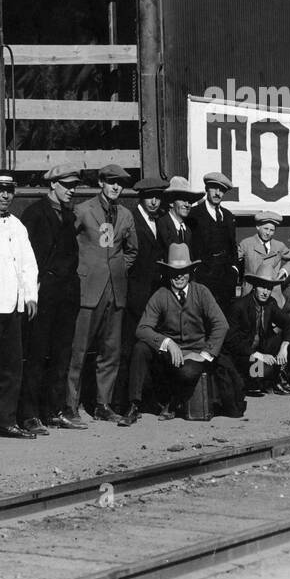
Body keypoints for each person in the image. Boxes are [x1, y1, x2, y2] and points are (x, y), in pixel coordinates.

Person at [122, 244, 229, 425]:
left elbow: (221, 324)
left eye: (184, 271)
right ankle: (134, 405)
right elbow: (142, 328)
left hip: (194, 353)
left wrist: (204, 354)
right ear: (167, 273)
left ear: (191, 271)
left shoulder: (201, 292)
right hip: (168, 353)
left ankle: (173, 403)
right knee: (140, 349)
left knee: (187, 372)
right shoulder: (161, 295)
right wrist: (167, 343)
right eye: (174, 271)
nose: (179, 276)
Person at [69, 163, 138, 423]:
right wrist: (84, 271)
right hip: (88, 290)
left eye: (120, 182)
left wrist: (117, 269)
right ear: (101, 183)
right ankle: (70, 406)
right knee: (79, 350)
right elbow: (69, 245)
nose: (116, 187)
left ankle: (103, 404)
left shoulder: (126, 215)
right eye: (111, 181)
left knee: (111, 351)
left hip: (116, 291)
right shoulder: (83, 210)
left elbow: (132, 250)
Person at [0, 170, 39, 441]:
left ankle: (5, 421)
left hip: (13, 308)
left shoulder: (17, 224)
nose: (5, 195)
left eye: (10, 190)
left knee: (11, 368)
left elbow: (27, 264)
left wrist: (29, 296)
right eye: (0, 190)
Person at [19, 166, 82, 431]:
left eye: (73, 186)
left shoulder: (69, 215)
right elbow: (28, 257)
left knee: (61, 355)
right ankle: (29, 414)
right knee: (36, 355)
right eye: (66, 185)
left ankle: (54, 410)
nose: (71, 190)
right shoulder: (34, 214)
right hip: (43, 295)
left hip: (66, 296)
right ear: (52, 185)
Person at [119, 175, 168, 413]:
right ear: (141, 197)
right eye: (150, 197)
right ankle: (126, 401)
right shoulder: (131, 219)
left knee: (149, 348)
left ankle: (146, 397)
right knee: (129, 348)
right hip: (134, 296)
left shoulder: (158, 221)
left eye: (158, 197)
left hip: (153, 296)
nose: (154, 202)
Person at [223, 267, 290, 396]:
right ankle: (253, 381)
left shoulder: (270, 303)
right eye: (262, 287)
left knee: (289, 340)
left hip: (262, 350)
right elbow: (232, 341)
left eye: (269, 288)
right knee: (264, 370)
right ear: (254, 287)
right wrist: (259, 355)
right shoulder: (239, 306)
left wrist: (284, 347)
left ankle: (276, 379)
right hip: (243, 354)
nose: (266, 292)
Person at [187, 171, 240, 315]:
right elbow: (189, 245)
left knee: (225, 317)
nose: (218, 193)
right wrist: (196, 271)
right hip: (204, 277)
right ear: (206, 189)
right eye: (214, 188)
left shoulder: (228, 216)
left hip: (226, 278)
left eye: (222, 190)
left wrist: (234, 269)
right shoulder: (194, 214)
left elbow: (232, 246)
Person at [237, 211, 290, 304]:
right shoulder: (246, 244)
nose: (268, 233)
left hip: (273, 294)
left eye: (272, 230)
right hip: (250, 294)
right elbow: (233, 260)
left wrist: (284, 271)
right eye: (265, 229)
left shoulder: (279, 246)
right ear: (258, 227)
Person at [158, 176, 197, 249]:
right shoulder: (161, 225)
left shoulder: (188, 229)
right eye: (183, 199)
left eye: (190, 201)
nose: (187, 205)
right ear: (171, 202)